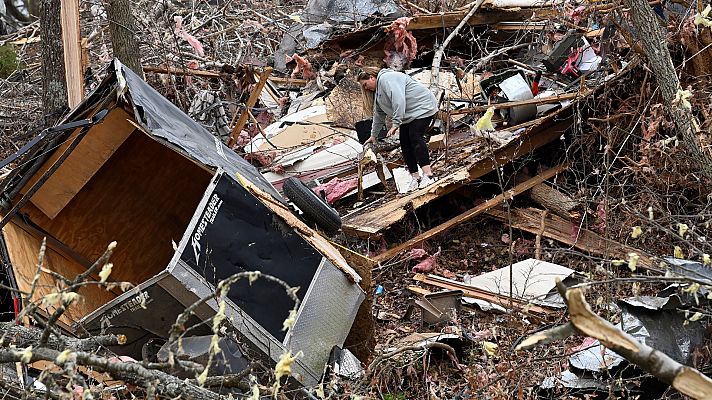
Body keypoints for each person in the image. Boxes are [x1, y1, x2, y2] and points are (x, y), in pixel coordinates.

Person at [357, 68, 439, 192]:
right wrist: (373, 135)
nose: (366, 88)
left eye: (365, 84)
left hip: (423, 107)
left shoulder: (387, 78)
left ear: (371, 78)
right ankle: (415, 177)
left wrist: (396, 123)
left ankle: (428, 175)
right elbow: (379, 115)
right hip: (410, 115)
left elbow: (398, 100)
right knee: (405, 143)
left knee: (415, 136)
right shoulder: (378, 94)